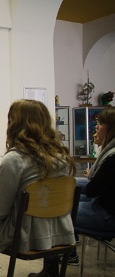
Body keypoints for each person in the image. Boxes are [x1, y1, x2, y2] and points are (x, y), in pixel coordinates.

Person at [0, 99, 76, 277]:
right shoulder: (62, 157)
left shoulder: (14, 160)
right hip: (58, 235)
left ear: (14, 123)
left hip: (23, 237)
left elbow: (0, 212)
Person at [50, 106, 115, 269]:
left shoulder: (112, 156)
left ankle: (53, 267)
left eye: (99, 124)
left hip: (107, 216)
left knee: (54, 213)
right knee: (67, 197)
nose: (96, 128)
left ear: (109, 127)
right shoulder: (110, 151)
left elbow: (93, 189)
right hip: (106, 209)